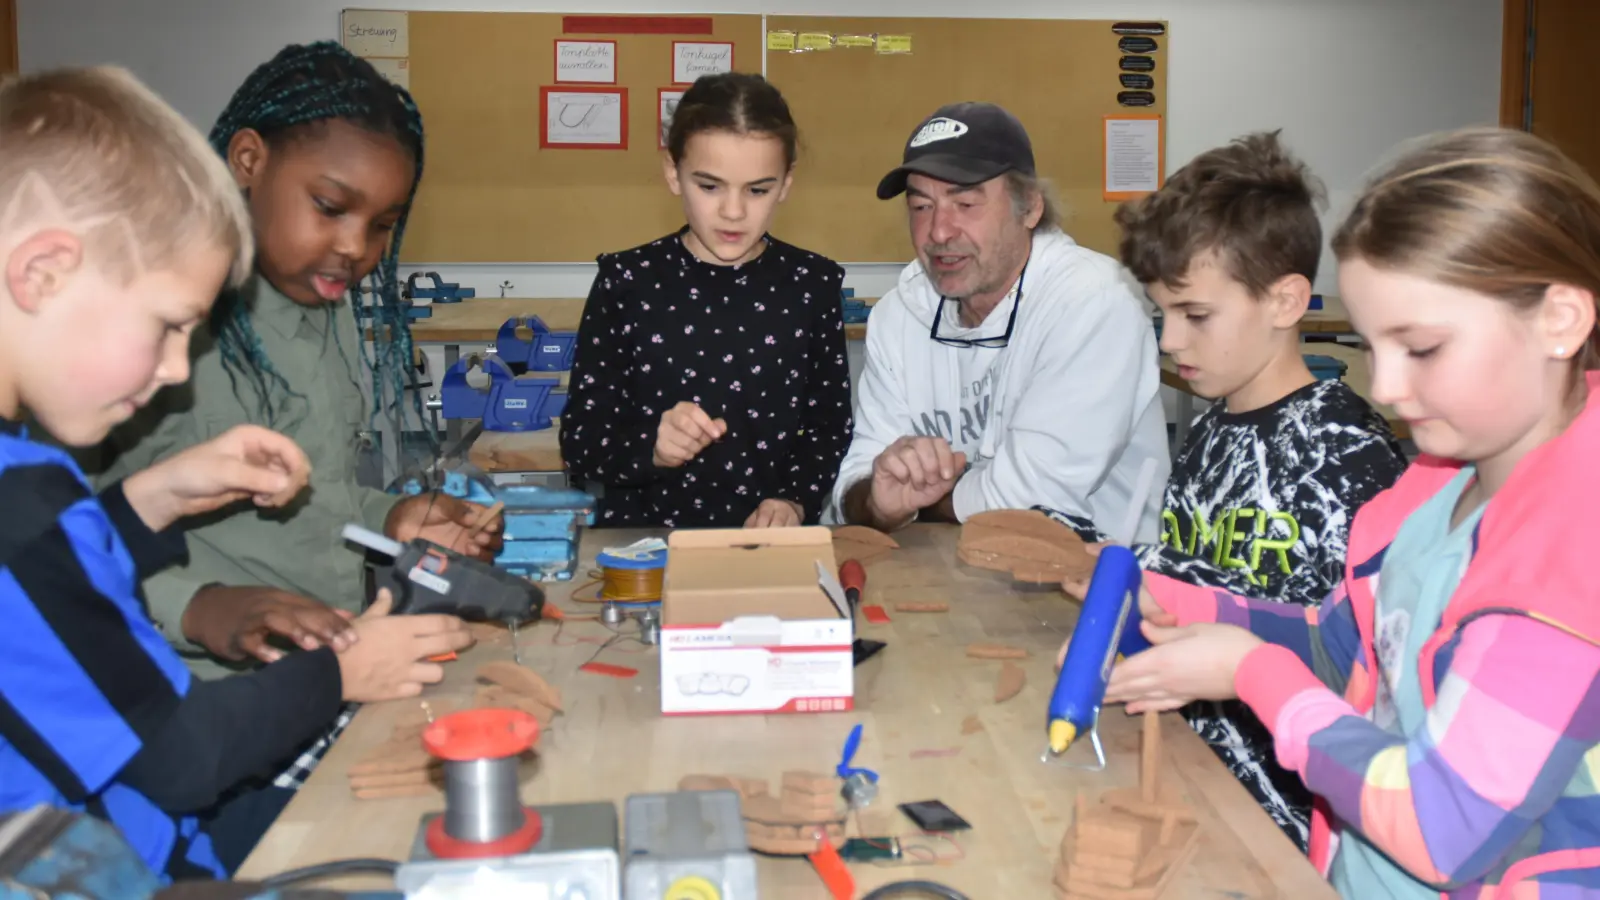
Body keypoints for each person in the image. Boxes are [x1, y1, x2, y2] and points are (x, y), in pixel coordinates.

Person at [0, 66, 470, 884]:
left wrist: (152, 500)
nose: (178, 368)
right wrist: (342, 673)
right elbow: (180, 758)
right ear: (41, 273)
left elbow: (40, 591)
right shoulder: (25, 502)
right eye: (167, 328)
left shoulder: (25, 493)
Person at [1104, 127, 1600, 897]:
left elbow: (1442, 827)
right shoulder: (1437, 486)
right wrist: (1181, 600)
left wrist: (1250, 670)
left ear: (1560, 322)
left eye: (1424, 348)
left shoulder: (1571, 558)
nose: (1390, 389)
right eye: (1374, 349)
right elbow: (1341, 646)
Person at [1050, 132, 1408, 851]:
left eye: (1196, 315)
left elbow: (1363, 670)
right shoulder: (1211, 431)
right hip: (1191, 769)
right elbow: (1206, 571)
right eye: (1162, 314)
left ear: (1286, 300)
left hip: (1288, 818)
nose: (1169, 342)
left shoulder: (1349, 458)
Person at [828, 102, 1168, 539]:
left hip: (1092, 586)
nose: (939, 232)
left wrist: (921, 502)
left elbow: (1031, 499)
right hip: (948, 575)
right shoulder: (900, 314)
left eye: (965, 203)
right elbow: (858, 477)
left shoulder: (1094, 301)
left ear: (1029, 209)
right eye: (920, 207)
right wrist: (879, 500)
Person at [560, 72, 852, 529]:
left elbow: (828, 425)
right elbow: (582, 443)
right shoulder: (627, 282)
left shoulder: (811, 285)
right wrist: (649, 447)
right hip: (645, 549)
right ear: (673, 173)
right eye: (709, 186)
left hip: (769, 551)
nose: (733, 211)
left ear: (786, 184)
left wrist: (794, 499)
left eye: (758, 190)